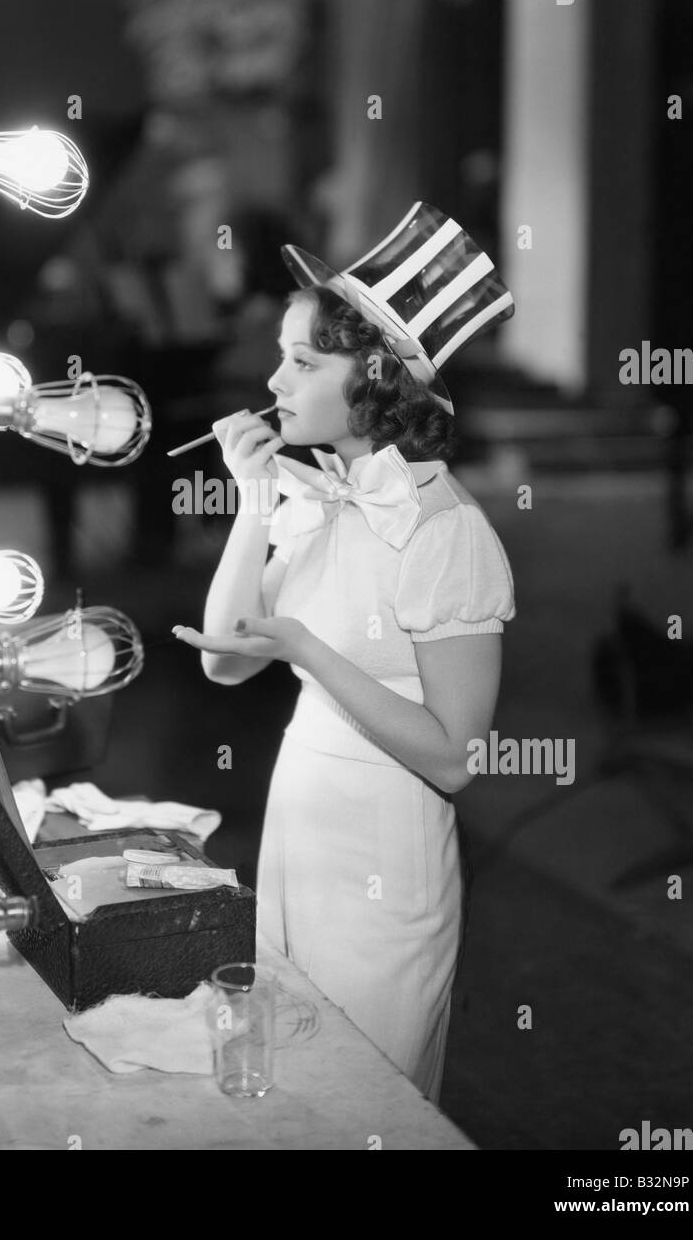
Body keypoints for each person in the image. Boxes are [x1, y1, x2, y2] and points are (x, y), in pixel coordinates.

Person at [172, 203, 516, 1103]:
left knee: (360, 1106)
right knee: (289, 1100)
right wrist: (252, 506)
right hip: (298, 840)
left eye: (301, 361)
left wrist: (306, 647)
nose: (273, 379)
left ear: (370, 377)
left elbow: (452, 757)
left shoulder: (446, 533)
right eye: (279, 357)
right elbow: (224, 658)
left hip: (383, 873)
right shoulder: (320, 502)